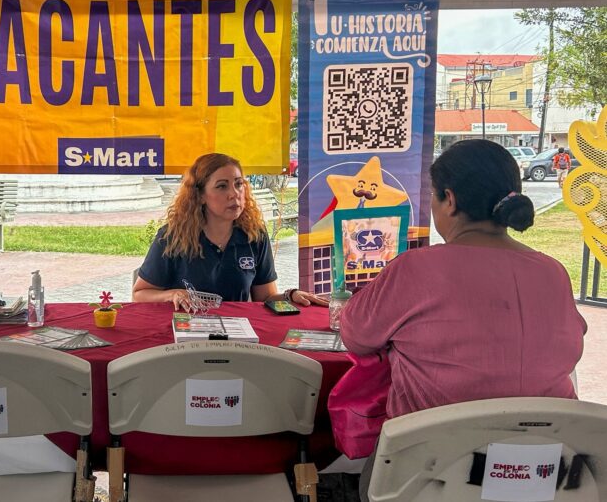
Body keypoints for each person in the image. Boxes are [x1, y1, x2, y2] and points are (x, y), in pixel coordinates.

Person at [339, 140, 586, 499]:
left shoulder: (415, 269)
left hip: (429, 473)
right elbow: (570, 348)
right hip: (543, 472)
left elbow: (355, 335)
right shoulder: (553, 272)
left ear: (449, 200)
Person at [132, 153, 323, 310]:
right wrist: (171, 294)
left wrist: (291, 295)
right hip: (185, 337)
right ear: (200, 196)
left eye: (239, 184)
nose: (234, 193)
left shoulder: (254, 235)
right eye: (222, 186)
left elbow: (265, 297)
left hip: (239, 338)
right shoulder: (172, 236)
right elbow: (139, 295)